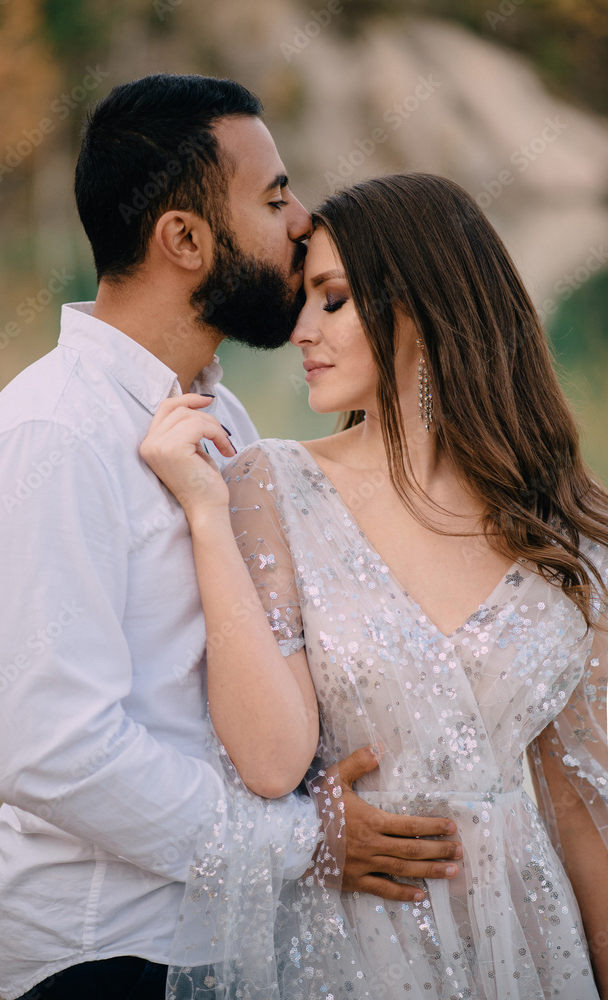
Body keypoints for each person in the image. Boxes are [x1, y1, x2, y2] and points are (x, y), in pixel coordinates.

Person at [0, 78, 460, 1000]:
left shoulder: (226, 420)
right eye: (273, 198)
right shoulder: (49, 439)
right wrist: (305, 842)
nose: (303, 222)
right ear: (183, 238)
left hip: (232, 936)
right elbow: (58, 752)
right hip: (114, 954)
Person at [140, 173, 608, 999]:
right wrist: (208, 518)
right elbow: (270, 760)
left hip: (532, 946)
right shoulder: (269, 487)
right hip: (358, 944)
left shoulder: (560, 522)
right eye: (303, 301)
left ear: (421, 310)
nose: (301, 331)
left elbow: (576, 810)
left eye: (333, 300)